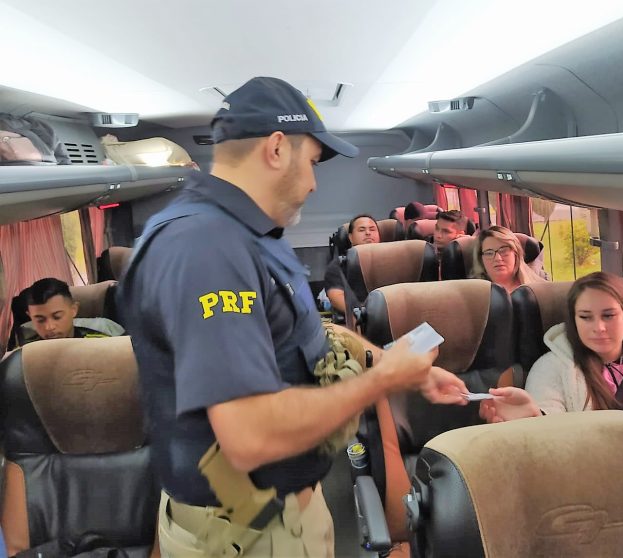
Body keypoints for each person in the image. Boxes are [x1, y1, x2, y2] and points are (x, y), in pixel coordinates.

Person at [118, 76, 467, 558]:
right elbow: (250, 435)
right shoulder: (205, 248)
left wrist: (392, 361)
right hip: (246, 534)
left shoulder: (252, 234)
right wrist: (382, 381)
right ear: (277, 148)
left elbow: (304, 334)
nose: (314, 182)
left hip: (284, 516)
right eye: (312, 163)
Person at [480, 272, 623, 422]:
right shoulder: (550, 368)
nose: (599, 327)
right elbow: (551, 442)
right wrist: (534, 419)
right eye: (586, 317)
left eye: (609, 315)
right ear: (574, 320)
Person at [21, 277, 123, 344]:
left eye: (57, 317)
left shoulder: (103, 343)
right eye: (40, 320)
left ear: (74, 310)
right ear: (30, 316)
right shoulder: (23, 354)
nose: (49, 327)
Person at [324, 214, 380, 314]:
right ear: (351, 237)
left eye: (372, 229)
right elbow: (336, 297)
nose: (368, 233)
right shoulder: (338, 264)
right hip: (359, 319)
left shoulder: (394, 259)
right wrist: (366, 315)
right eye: (361, 230)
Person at [470, 225, 544, 293]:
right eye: (489, 253)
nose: (498, 258)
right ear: (481, 260)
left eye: (503, 250)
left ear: (516, 253)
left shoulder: (540, 288)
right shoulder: (474, 294)